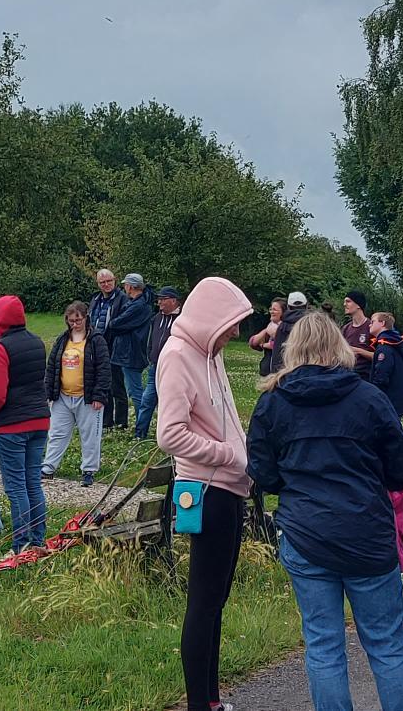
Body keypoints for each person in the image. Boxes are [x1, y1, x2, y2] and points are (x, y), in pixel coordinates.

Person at [249, 310, 403, 711]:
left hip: (306, 533)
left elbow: (263, 473)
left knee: (323, 646)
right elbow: (402, 471)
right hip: (367, 533)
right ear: (339, 346)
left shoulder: (273, 401)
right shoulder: (369, 398)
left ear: (293, 349)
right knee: (387, 646)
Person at [157, 277, 255, 711]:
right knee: (203, 602)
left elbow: (222, 418)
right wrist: (228, 454)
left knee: (216, 600)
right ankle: (200, 704)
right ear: (210, 317)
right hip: (205, 489)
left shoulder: (210, 353)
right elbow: (170, 434)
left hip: (230, 486)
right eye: (231, 322)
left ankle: (212, 701)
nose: (236, 331)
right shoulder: (178, 355)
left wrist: (244, 455)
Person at [0, 295, 52, 568]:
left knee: (16, 487)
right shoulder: (36, 342)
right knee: (33, 482)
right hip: (39, 421)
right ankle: (38, 540)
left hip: (11, 425)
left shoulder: (0, 348)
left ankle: (19, 544)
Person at [42, 301, 111, 487]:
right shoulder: (62, 339)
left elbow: (104, 369)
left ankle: (89, 470)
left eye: (78, 320)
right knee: (56, 433)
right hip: (63, 395)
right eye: (71, 320)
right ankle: (48, 467)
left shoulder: (96, 340)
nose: (75, 324)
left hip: (87, 397)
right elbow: (52, 366)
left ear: (86, 318)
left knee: (90, 435)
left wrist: (99, 395)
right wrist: (49, 392)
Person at [105, 273, 154, 432]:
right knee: (132, 389)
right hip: (128, 351)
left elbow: (115, 323)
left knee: (135, 391)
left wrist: (115, 324)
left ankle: (142, 427)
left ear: (131, 287)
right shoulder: (139, 303)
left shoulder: (138, 306)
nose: (124, 287)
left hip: (131, 352)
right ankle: (141, 425)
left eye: (125, 284)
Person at [135, 286, 182, 441]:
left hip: (174, 369)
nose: (159, 302)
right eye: (159, 299)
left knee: (169, 403)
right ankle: (140, 434)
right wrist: (150, 355)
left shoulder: (182, 319)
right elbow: (151, 339)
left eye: (163, 299)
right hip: (155, 366)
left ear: (173, 301)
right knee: (147, 400)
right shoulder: (156, 318)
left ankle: (167, 436)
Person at [364, 311, 403, 421]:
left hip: (389, 400)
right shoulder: (395, 342)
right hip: (397, 398)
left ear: (382, 323)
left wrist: (372, 396)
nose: (369, 325)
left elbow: (381, 376)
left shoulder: (385, 347)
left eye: (373, 322)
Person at [341, 291, 377, 370]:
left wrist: (358, 351)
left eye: (348, 301)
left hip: (366, 373)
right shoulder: (345, 328)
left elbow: (381, 356)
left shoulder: (371, 327)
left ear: (358, 305)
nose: (344, 304)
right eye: (344, 302)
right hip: (347, 372)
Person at [249, 297, 284, 368]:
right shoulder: (270, 326)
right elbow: (253, 343)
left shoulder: (286, 328)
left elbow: (280, 345)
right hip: (266, 369)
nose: (271, 312)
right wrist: (266, 330)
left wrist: (263, 345)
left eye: (274, 310)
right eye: (271, 309)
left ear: (283, 312)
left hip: (280, 369)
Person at [88, 268, 122, 338]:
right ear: (98, 284)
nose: (106, 284)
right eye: (102, 282)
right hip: (94, 341)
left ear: (114, 280)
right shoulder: (94, 299)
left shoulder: (122, 299)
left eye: (109, 281)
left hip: (112, 342)